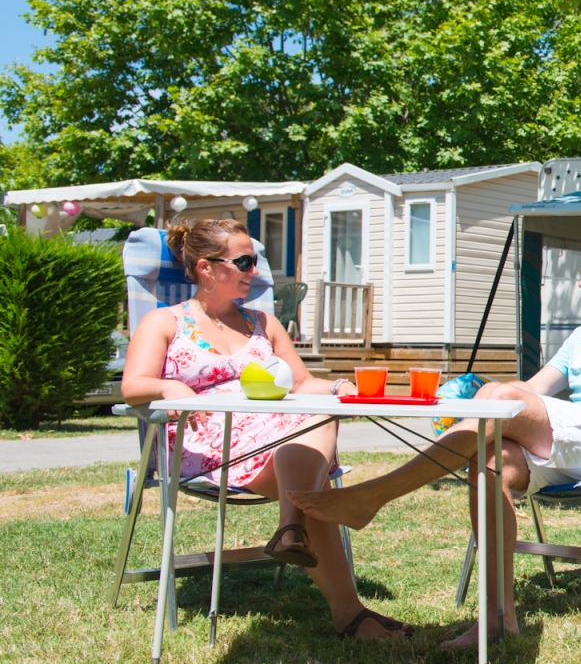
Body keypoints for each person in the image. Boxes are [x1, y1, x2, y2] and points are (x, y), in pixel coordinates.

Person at [289, 244, 581, 648]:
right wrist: (473, 397)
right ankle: (498, 617)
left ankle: (374, 495)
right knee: (488, 462)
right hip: (568, 442)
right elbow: (530, 392)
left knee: (498, 398)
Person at [121, 219, 412, 640]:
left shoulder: (262, 323)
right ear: (206, 268)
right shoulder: (164, 322)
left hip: (273, 438)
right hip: (204, 445)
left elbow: (299, 384)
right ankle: (344, 607)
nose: (253, 271)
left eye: (254, 260)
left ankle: (293, 532)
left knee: (318, 416)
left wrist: (337, 386)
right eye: (243, 261)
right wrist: (168, 384)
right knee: (315, 489)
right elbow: (133, 386)